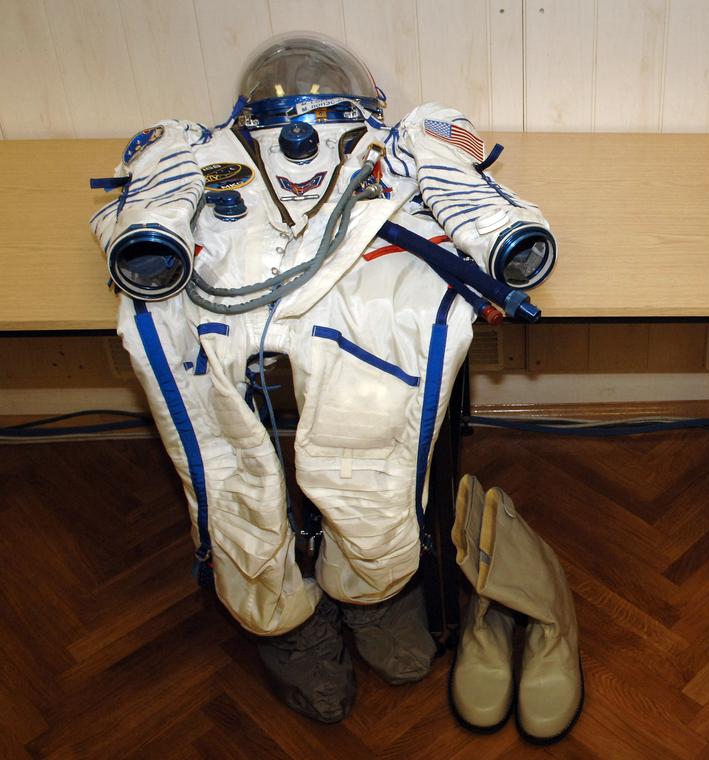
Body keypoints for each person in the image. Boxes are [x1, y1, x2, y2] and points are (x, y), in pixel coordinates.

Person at [89, 32, 555, 723]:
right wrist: (154, 246)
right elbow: (138, 212)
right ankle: (279, 620)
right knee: (224, 463)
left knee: (369, 443)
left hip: (356, 303)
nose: (301, 109)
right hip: (221, 306)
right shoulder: (193, 148)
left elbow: (475, 200)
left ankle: (374, 593)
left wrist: (503, 245)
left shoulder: (402, 139)